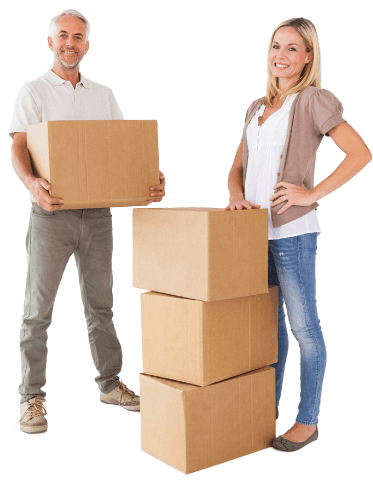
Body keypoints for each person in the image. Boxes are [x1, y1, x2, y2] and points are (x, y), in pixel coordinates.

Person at [10, 8, 166, 436]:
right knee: (37, 312)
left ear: (87, 44)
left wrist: (148, 180)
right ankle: (32, 397)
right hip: (51, 214)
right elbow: (18, 147)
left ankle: (111, 385)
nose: (70, 43)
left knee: (101, 304)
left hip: (98, 217)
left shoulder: (103, 94)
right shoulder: (34, 91)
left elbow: (121, 151)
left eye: (78, 36)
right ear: (51, 41)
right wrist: (31, 184)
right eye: (63, 35)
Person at [225, 16, 371, 453]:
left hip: (292, 234)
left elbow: (360, 153)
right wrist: (235, 196)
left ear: (308, 56)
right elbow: (237, 168)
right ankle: (263, 411)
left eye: (292, 48)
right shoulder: (256, 108)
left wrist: (312, 193)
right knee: (268, 332)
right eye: (275, 46)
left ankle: (307, 421)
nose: (281, 56)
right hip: (252, 235)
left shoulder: (313, 100)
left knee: (304, 328)